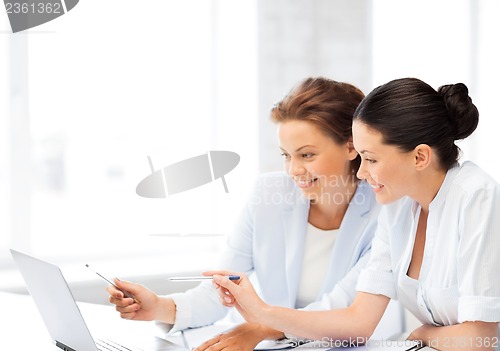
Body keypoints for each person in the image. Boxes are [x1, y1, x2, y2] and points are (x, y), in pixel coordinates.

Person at [107, 77, 400, 350]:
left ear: (351, 146)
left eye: (307, 155)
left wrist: (264, 327)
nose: (293, 170)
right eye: (286, 155)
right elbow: (222, 290)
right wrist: (158, 306)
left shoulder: (385, 211)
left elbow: (342, 308)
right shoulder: (268, 194)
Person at [208, 77, 500, 351]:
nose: (361, 172)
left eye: (371, 159)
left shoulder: (476, 196)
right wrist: (263, 315)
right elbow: (358, 321)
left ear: (420, 157)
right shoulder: (397, 207)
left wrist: (423, 335)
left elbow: (481, 338)